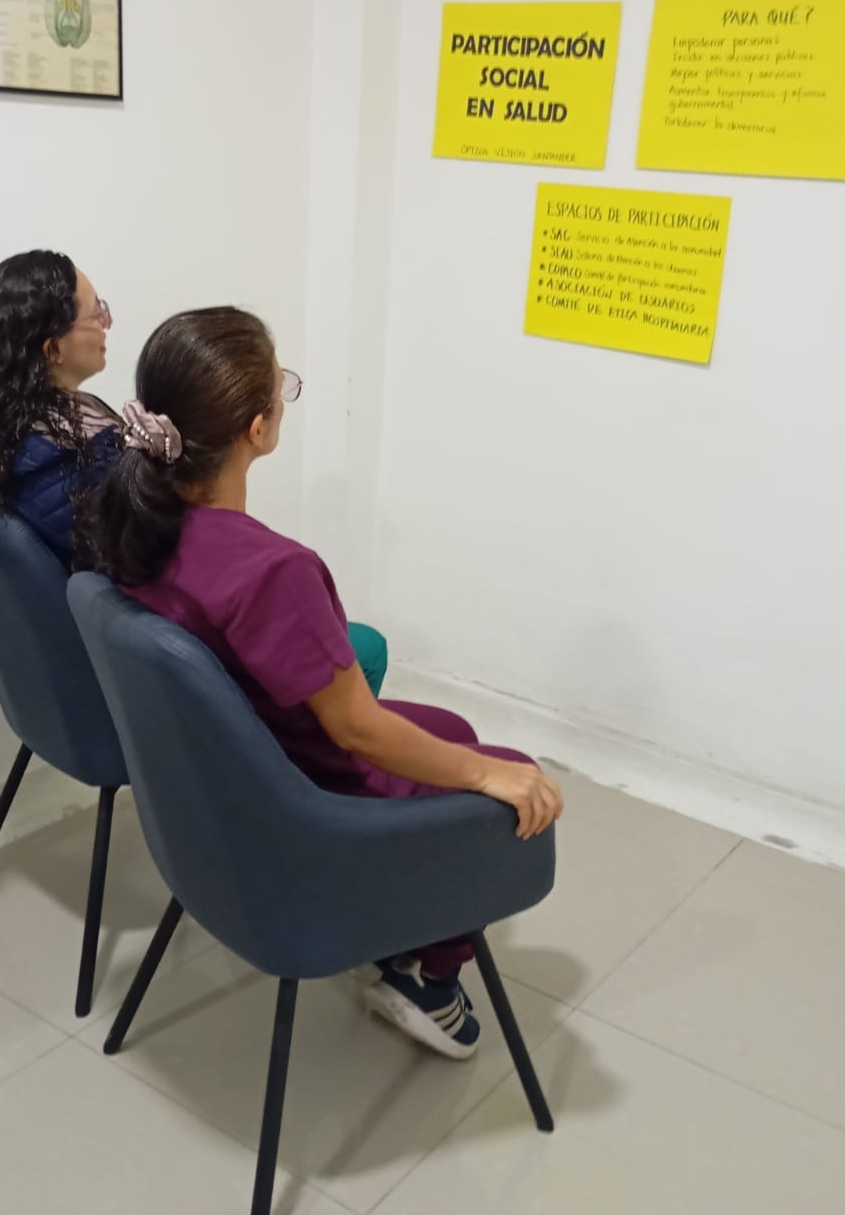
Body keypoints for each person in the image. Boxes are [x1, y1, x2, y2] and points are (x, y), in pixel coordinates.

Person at [86, 307, 563, 1060]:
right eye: (282, 387)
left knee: (453, 731)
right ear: (257, 428)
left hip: (216, 788)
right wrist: (490, 776)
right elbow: (357, 729)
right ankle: (427, 982)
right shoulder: (272, 572)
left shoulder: (132, 529)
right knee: (504, 779)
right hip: (304, 797)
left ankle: (400, 927)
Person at [0, 254, 388, 691]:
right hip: (139, 663)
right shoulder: (68, 464)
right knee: (365, 648)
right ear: (53, 348)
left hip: (79, 660)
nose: (107, 321)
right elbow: (155, 568)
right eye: (95, 313)